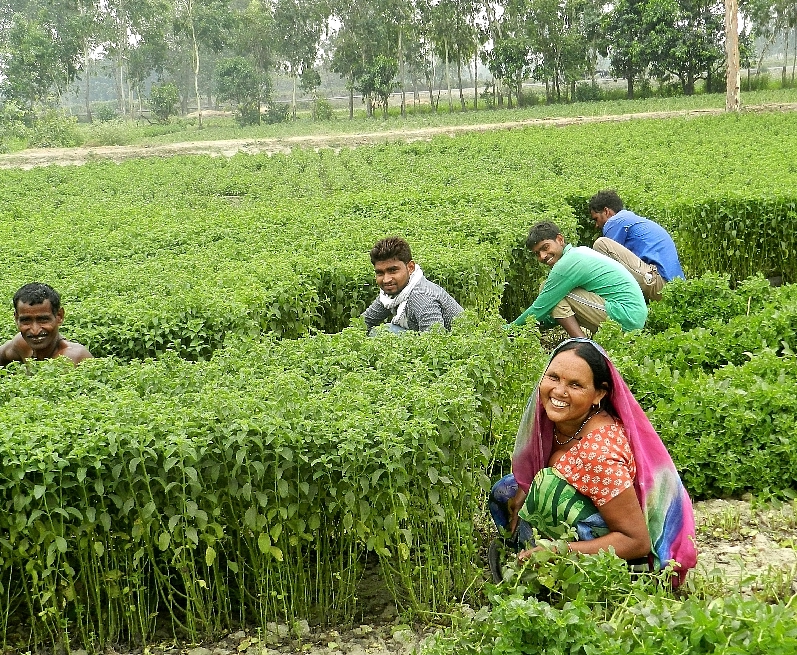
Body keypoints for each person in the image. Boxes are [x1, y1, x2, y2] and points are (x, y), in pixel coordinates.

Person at [488, 338, 697, 586]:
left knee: (546, 487)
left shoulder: (599, 453)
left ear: (598, 394)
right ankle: (527, 552)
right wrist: (525, 488)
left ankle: (555, 575)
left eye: (575, 385)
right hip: (596, 512)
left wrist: (557, 551)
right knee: (509, 489)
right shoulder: (555, 423)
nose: (559, 392)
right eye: (553, 377)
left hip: (632, 560)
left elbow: (636, 540)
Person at [510, 222, 647, 338]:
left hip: (627, 317)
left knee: (551, 293)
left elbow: (540, 308)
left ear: (560, 239)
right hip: (632, 315)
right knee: (554, 295)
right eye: (537, 253)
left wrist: (507, 330)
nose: (543, 256)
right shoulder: (579, 251)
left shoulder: (567, 264)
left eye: (545, 248)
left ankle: (582, 344)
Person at [589, 190, 685, 302]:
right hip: (675, 287)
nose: (596, 225)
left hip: (659, 282)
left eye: (596, 219)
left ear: (606, 211)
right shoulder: (631, 219)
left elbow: (607, 266)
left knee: (601, 245)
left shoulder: (615, 221)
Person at [362, 237, 464, 334]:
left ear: (410, 267)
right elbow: (364, 323)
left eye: (393, 270)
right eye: (380, 273)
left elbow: (435, 340)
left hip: (459, 343)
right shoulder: (390, 294)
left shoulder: (421, 297)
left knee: (386, 332)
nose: (386, 279)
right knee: (382, 332)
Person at [0, 283, 93, 366]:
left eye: (43, 320)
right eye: (26, 320)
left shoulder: (73, 357)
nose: (35, 331)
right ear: (16, 319)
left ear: (59, 316)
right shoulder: (22, 344)